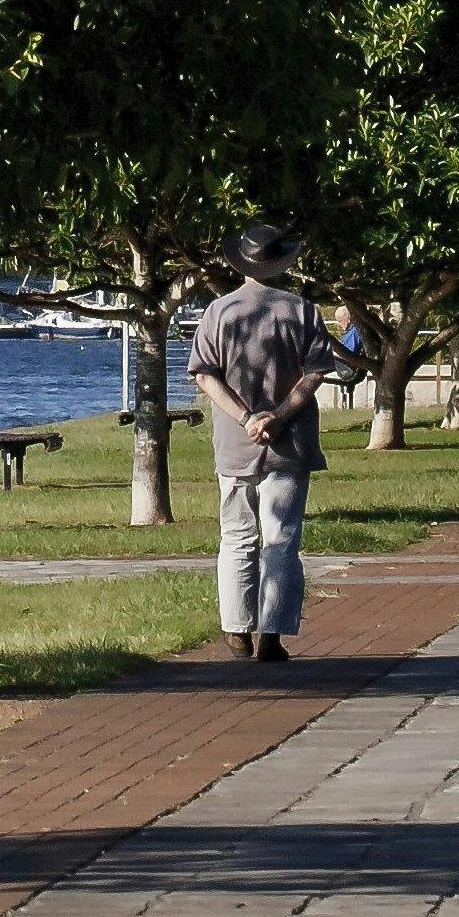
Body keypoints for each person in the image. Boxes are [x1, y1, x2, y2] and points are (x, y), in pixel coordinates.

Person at [188, 227, 338, 663]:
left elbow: (204, 374)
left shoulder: (219, 311)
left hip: (235, 444)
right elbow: (314, 375)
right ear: (281, 263)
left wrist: (246, 418)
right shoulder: (303, 311)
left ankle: (236, 631)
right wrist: (278, 415)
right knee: (281, 538)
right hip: (289, 444)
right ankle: (272, 634)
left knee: (236, 537)